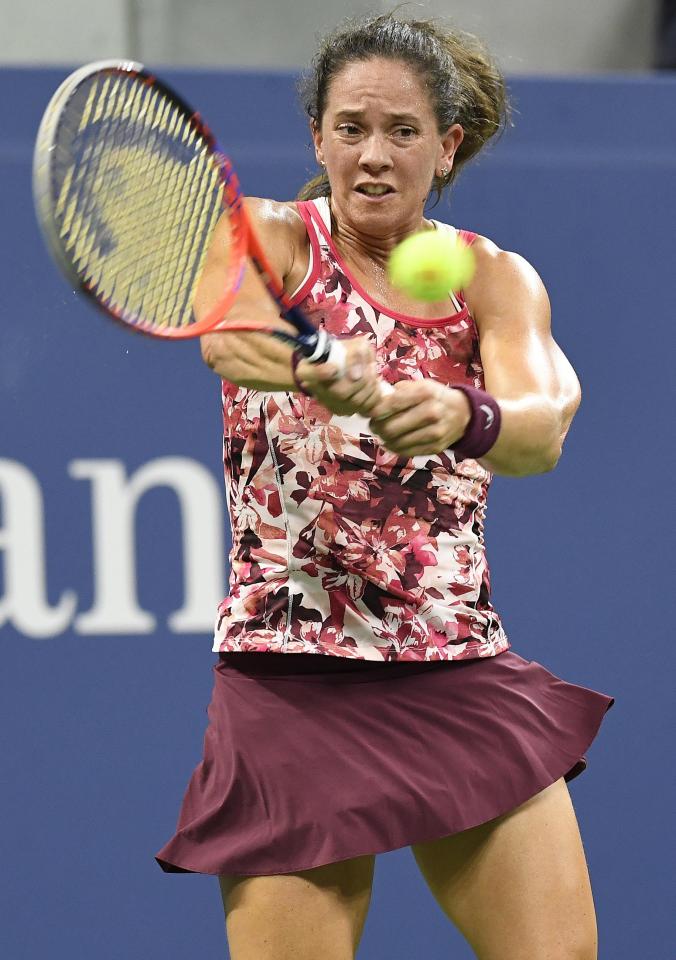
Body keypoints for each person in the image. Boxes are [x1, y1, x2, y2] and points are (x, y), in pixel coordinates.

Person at [156, 14, 614, 960]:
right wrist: (320, 364)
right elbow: (231, 340)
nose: (373, 156)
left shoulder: (493, 279)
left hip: (455, 670)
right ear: (318, 138)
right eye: (351, 128)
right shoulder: (270, 236)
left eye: (402, 131)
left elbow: (543, 427)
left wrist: (462, 417)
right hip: (292, 677)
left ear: (446, 147)